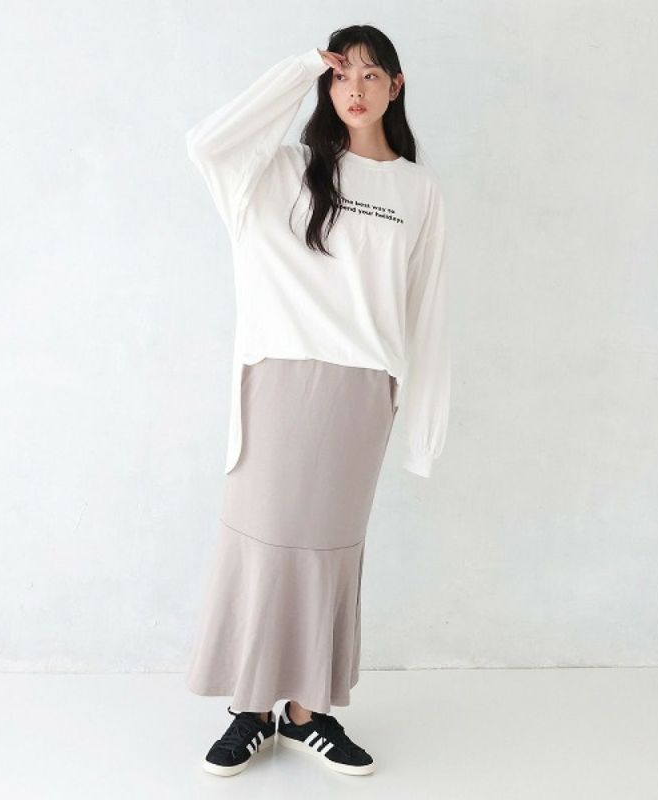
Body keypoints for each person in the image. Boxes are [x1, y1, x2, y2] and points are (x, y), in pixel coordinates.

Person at [183, 24, 451, 777]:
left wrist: (422, 429)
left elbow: (428, 311)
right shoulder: (280, 171)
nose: (354, 89)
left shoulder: (418, 191)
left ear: (396, 86)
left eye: (370, 74)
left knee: (331, 553)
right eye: (341, 75)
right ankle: (250, 708)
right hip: (277, 382)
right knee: (264, 544)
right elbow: (206, 143)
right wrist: (301, 66)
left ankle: (307, 714)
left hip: (362, 394)